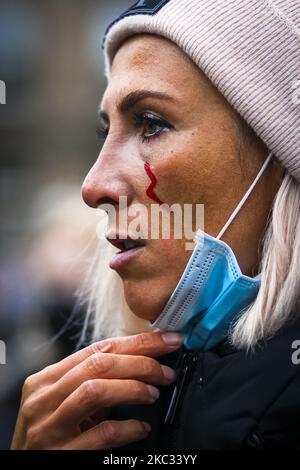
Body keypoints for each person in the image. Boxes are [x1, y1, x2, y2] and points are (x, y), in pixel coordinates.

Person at [11, 0, 300, 450]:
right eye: (105, 132)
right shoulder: (102, 412)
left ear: (280, 154)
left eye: (150, 123)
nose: (93, 187)